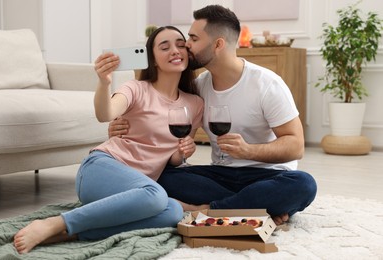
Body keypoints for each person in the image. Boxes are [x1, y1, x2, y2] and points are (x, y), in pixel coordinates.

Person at [108, 5, 317, 226]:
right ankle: (256, 208)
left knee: (304, 184)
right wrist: (126, 125)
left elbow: (296, 146)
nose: (186, 45)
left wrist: (249, 150)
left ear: (217, 45)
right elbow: (162, 123)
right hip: (221, 175)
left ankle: (211, 210)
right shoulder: (199, 87)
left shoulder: (266, 84)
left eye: (194, 38)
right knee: (161, 174)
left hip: (267, 176)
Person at [13, 25, 204, 254]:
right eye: (165, 47)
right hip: (101, 168)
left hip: (137, 188)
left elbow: (172, 158)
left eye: (180, 45)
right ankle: (55, 223)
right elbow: (105, 114)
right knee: (156, 196)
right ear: (152, 59)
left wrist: (184, 150)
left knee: (172, 211)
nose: (175, 50)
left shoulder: (195, 104)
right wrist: (104, 82)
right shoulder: (136, 89)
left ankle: (74, 233)